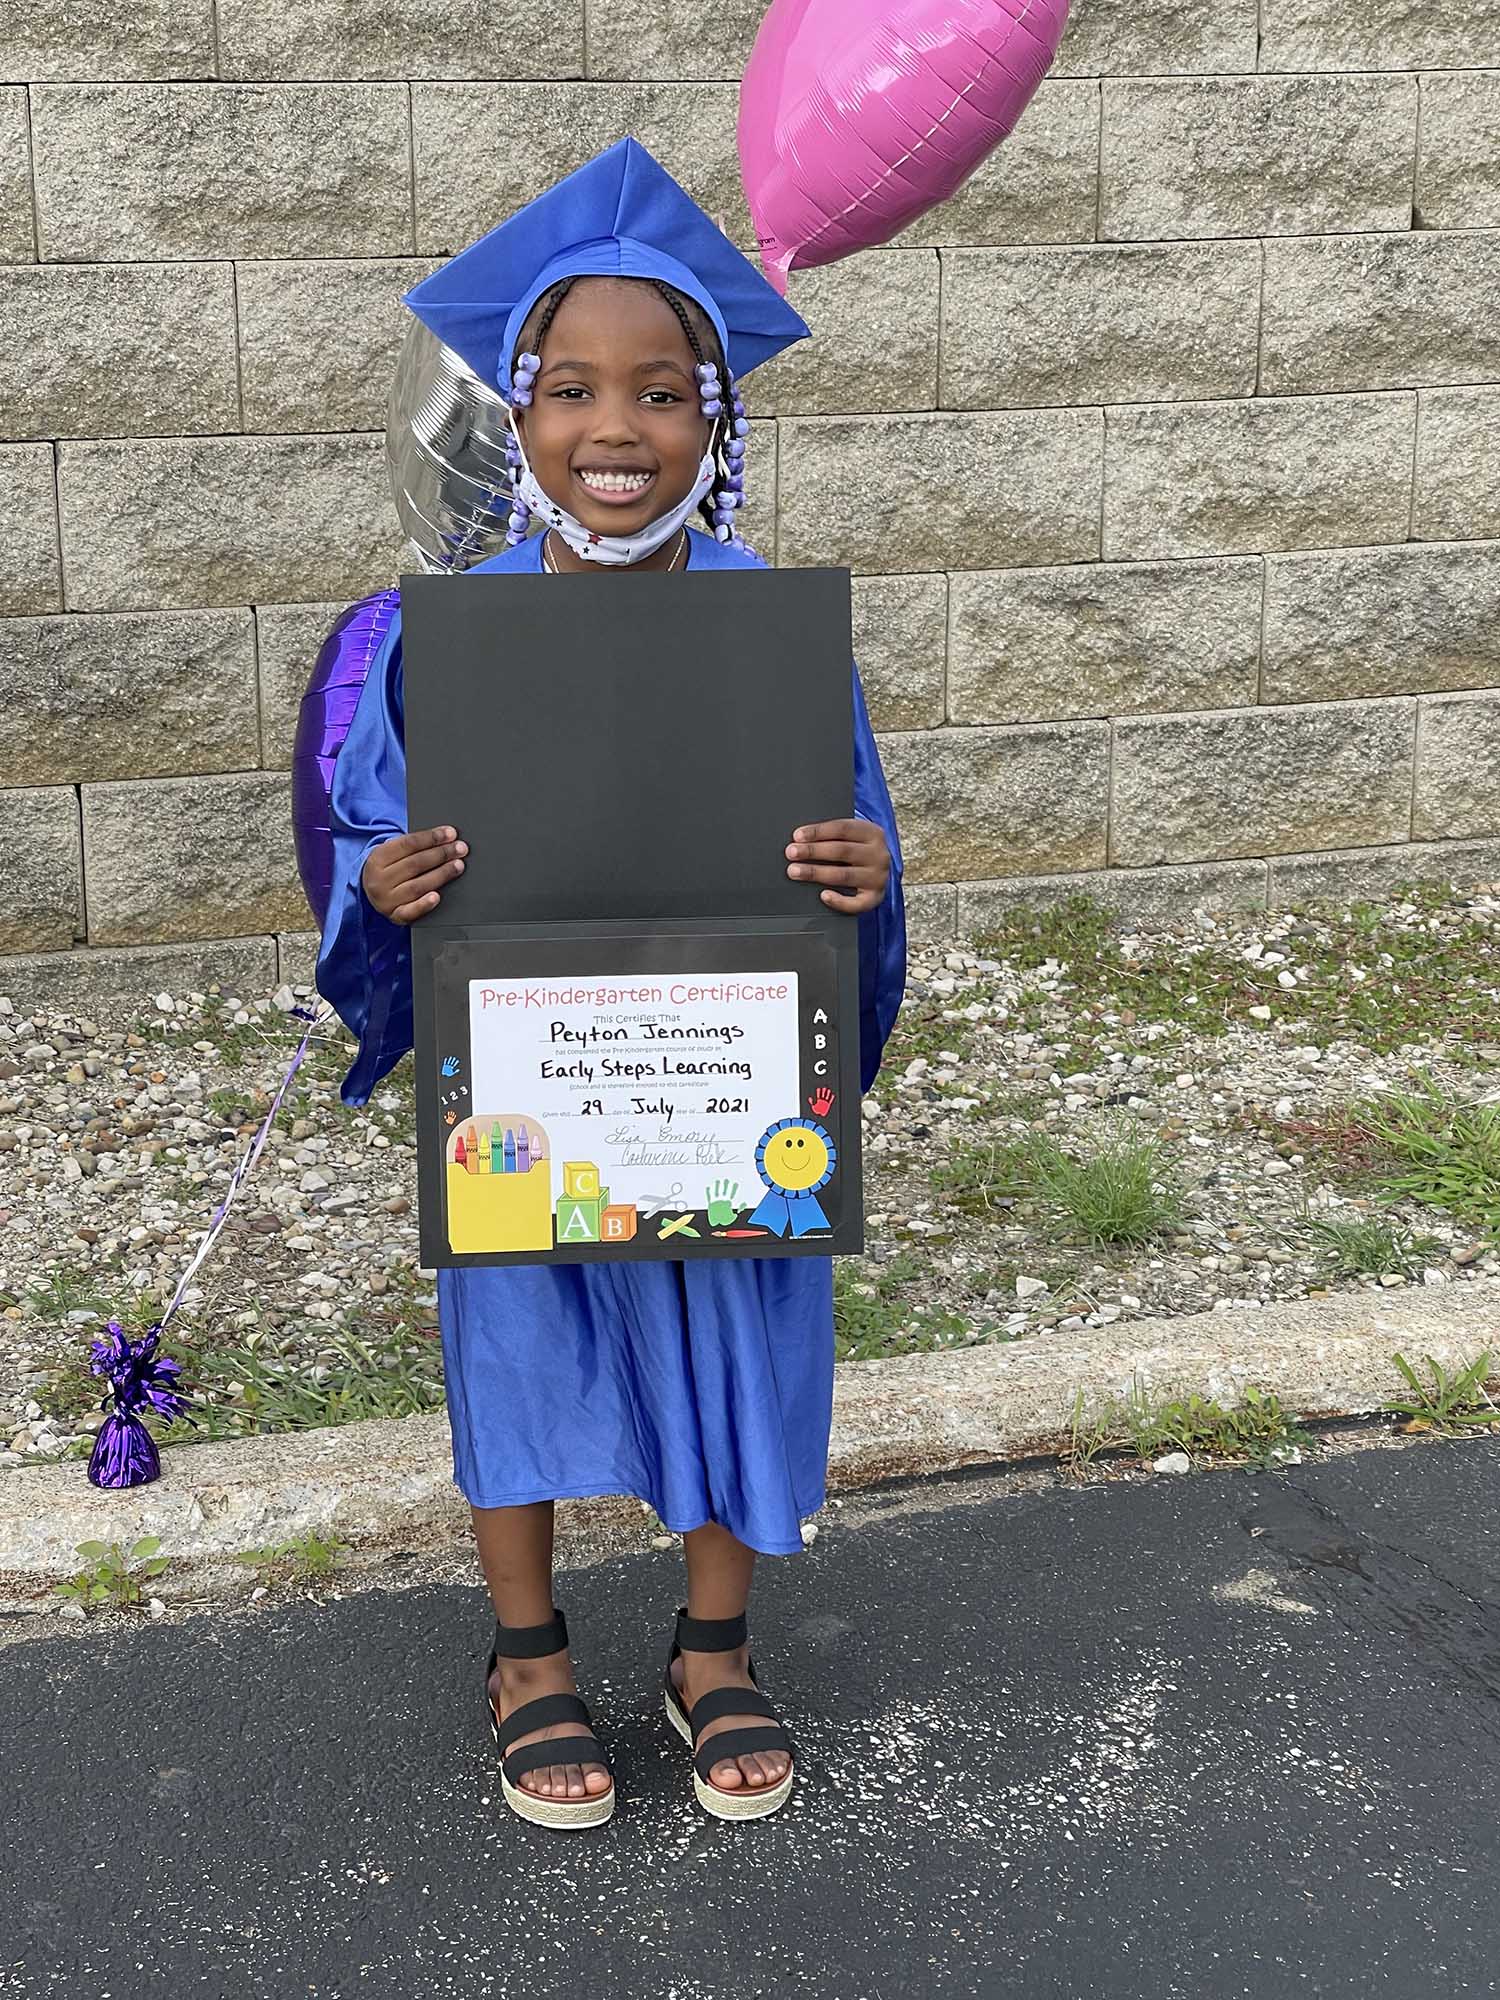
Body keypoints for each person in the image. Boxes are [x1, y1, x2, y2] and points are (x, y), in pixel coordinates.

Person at [317, 139, 906, 1830]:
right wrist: (383, 885)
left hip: (720, 1072)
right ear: (517, 413)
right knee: (517, 1319)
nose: (616, 427)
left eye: (663, 390)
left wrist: (863, 875)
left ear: (718, 420)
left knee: (742, 1310)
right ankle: (530, 1656)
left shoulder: (774, 627)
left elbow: (852, 839)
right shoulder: (447, 633)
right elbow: (369, 833)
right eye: (571, 389)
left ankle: (714, 1647)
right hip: (529, 1070)